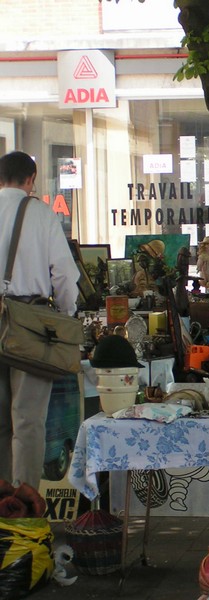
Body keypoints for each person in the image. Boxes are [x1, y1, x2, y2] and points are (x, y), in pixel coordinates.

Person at [0, 151, 79, 489]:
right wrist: (66, 316)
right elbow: (64, 275)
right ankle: (24, 507)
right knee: (28, 421)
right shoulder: (41, 214)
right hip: (29, 326)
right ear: (31, 180)